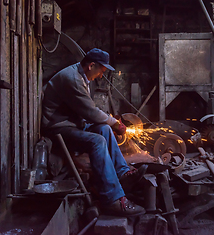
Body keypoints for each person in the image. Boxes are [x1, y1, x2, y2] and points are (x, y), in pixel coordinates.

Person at [41, 48, 147, 217]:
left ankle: (122, 174)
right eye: (100, 72)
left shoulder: (80, 75)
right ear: (91, 66)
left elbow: (89, 112)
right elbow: (90, 112)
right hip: (59, 127)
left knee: (103, 129)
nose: (100, 76)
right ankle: (112, 200)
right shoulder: (73, 79)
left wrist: (109, 123)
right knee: (97, 141)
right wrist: (114, 123)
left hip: (72, 123)